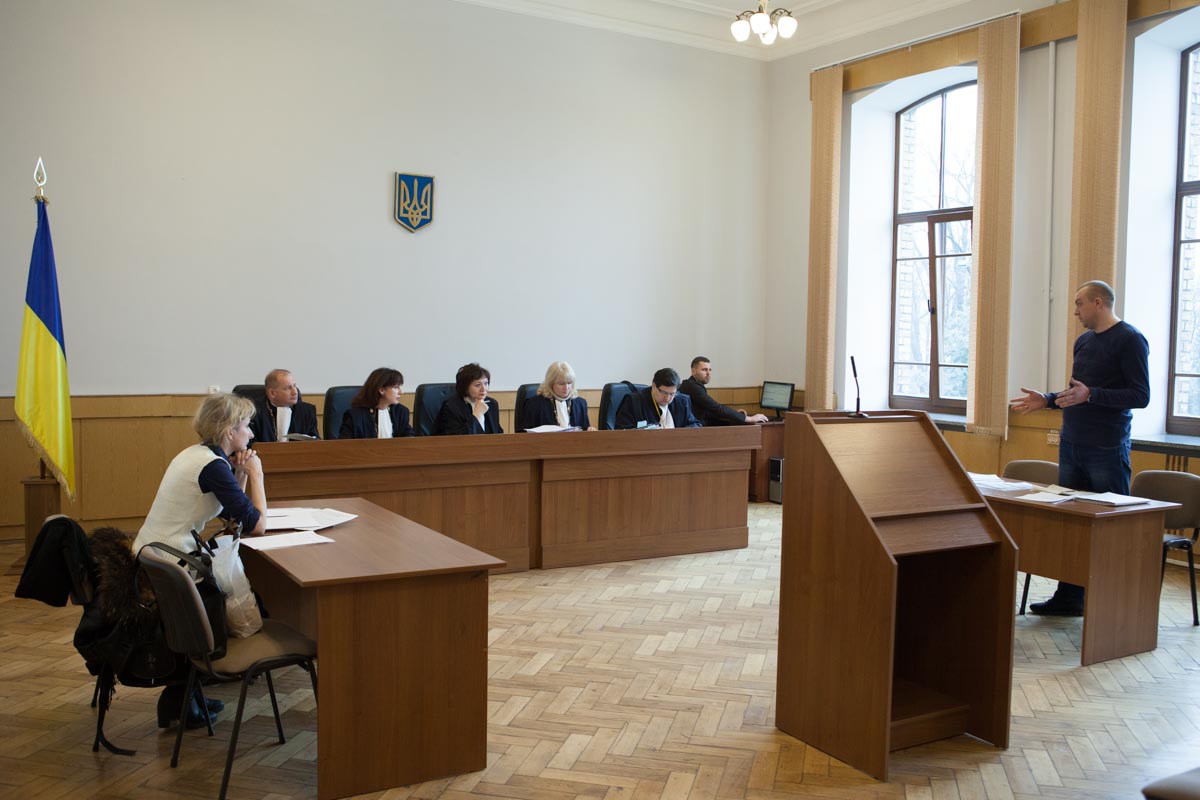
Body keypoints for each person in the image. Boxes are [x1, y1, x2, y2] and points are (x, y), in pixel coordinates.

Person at [1010, 279, 1150, 616]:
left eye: (1079, 303)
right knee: (1070, 525)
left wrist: (1093, 395)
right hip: (1072, 443)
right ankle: (1070, 597)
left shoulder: (1130, 339)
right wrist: (1047, 400)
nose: (1075, 311)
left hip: (1106, 446)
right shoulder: (1083, 341)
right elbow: (1076, 393)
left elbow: (1141, 395)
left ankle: (1111, 606)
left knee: (1109, 526)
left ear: (1098, 303)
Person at [131, 392, 267, 728]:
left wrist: (240, 473)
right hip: (170, 562)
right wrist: (257, 474)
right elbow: (256, 525)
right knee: (230, 598)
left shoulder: (199, 455)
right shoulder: (211, 467)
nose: (251, 433)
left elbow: (233, 511)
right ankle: (184, 696)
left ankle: (187, 695)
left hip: (155, 554)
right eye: (246, 426)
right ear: (229, 431)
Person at [679, 356, 769, 426]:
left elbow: (710, 411)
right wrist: (749, 419)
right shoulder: (692, 386)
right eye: (704, 370)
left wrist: (737, 416)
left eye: (710, 370)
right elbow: (716, 408)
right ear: (693, 371)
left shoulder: (692, 385)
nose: (708, 373)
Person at [339, 367, 415, 439]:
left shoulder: (400, 412)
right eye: (396, 388)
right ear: (381, 390)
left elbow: (409, 438)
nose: (401, 392)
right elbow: (344, 444)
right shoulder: (355, 416)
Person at [615, 367, 702, 429]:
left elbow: (695, 425)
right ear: (653, 386)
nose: (667, 398)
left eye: (672, 394)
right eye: (664, 393)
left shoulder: (682, 401)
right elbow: (622, 430)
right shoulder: (634, 402)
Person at [248, 368, 320, 442]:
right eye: (288, 388)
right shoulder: (253, 412)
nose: (295, 392)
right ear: (272, 393)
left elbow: (316, 443)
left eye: (294, 386)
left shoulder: (307, 411)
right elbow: (249, 443)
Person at [434, 363, 504, 435]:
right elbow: (458, 438)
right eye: (478, 385)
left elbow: (498, 433)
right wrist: (477, 415)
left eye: (486, 383)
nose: (483, 389)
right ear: (465, 388)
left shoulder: (492, 403)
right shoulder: (451, 407)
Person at [522, 361, 593, 431]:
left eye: (569, 383)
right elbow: (524, 434)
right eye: (561, 384)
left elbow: (585, 430)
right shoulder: (535, 405)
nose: (566, 387)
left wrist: (590, 431)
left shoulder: (580, 404)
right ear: (550, 384)